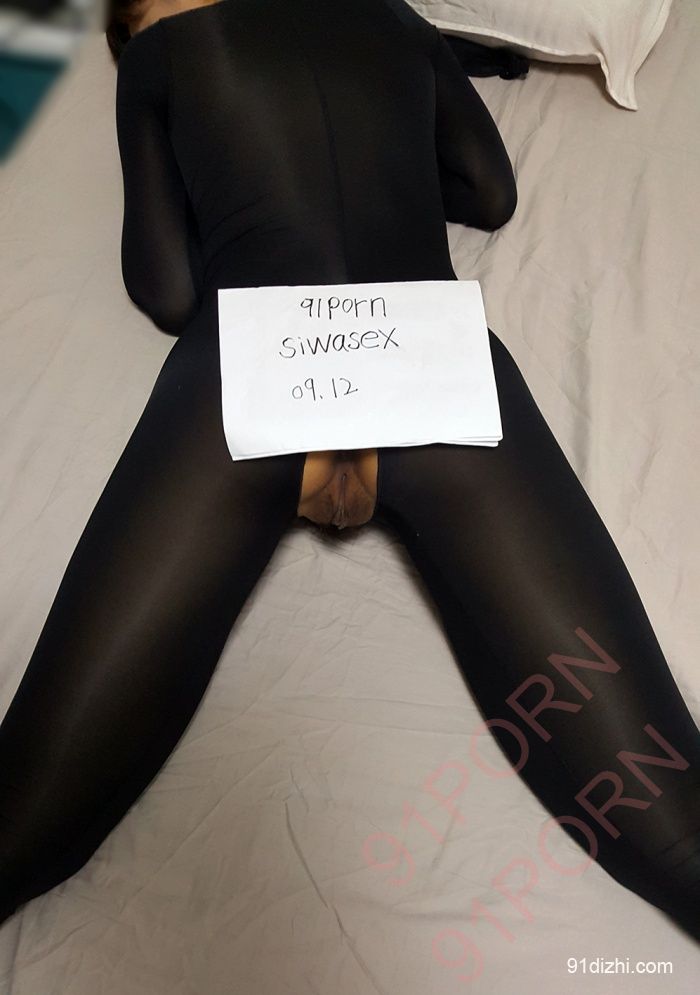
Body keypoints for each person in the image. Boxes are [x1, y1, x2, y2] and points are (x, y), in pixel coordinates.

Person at [0, 0, 697, 942]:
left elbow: (164, 286)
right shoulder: (398, 22)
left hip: (251, 373)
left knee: (25, 814)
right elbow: (491, 194)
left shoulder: (160, 55)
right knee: (672, 818)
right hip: (429, 361)